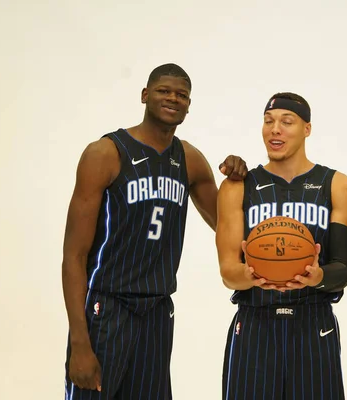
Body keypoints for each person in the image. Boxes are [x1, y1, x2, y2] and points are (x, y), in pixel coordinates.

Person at [62, 63, 248, 400]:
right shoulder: (105, 153)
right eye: (164, 91)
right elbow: (73, 255)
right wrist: (79, 340)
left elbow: (229, 226)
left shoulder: (189, 159)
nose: (173, 99)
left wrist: (237, 181)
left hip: (158, 311)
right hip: (107, 306)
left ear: (189, 106)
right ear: (145, 95)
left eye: (182, 95)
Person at [215, 92, 347, 399]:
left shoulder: (339, 185)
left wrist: (319, 277)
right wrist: (252, 276)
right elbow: (228, 270)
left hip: (313, 324)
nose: (275, 129)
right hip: (255, 324)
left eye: (286, 121)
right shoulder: (238, 186)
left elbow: (342, 270)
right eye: (268, 121)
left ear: (307, 128)